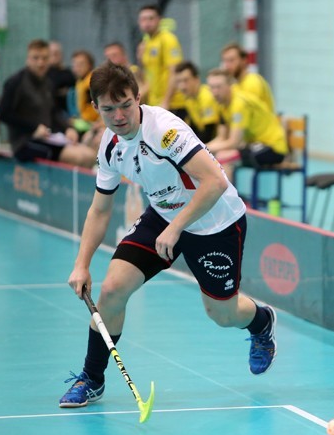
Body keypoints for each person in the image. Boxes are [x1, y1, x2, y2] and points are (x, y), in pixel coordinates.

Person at [59, 61, 277, 408]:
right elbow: (100, 209)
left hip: (215, 221)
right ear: (95, 107)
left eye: (126, 105)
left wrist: (176, 228)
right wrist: (81, 264)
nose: (119, 116)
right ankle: (92, 378)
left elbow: (215, 182)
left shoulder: (165, 131)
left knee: (222, 314)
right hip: (163, 214)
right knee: (112, 289)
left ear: (138, 98)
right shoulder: (110, 145)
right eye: (109, 109)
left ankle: (261, 321)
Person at [0, 39, 96, 168]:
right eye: (36, 58)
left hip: (49, 138)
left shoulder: (48, 83)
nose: (40, 63)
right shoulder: (15, 82)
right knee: (79, 157)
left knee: (90, 155)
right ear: (28, 59)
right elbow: (3, 114)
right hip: (25, 142)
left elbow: (53, 111)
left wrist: (67, 128)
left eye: (44, 58)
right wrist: (33, 128)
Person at [205, 68, 288, 175]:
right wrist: (201, 148)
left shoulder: (239, 104)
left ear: (229, 85)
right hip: (254, 145)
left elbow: (234, 142)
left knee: (224, 158)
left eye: (219, 87)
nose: (215, 92)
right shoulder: (222, 104)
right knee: (213, 156)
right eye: (212, 87)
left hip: (273, 148)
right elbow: (221, 137)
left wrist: (205, 148)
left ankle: (227, 187)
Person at [138, 4, 186, 116]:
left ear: (159, 20)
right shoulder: (146, 43)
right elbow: (149, 76)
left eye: (151, 18)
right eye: (143, 19)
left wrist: (166, 101)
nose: (147, 23)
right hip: (155, 103)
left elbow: (174, 72)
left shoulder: (168, 39)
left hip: (173, 104)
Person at [220, 43, 276, 114]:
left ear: (244, 60)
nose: (227, 65)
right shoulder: (234, 86)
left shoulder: (253, 82)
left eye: (231, 60)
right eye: (225, 61)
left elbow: (248, 113)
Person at [174, 61, 221, 143]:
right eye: (179, 82)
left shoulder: (206, 97)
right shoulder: (188, 99)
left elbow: (209, 134)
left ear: (196, 80)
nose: (182, 86)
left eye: (186, 80)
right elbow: (194, 129)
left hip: (217, 142)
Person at [46, 40, 76, 116]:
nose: (54, 56)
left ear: (61, 54)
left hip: (70, 113)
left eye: (56, 53)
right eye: (51, 53)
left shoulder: (70, 73)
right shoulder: (44, 74)